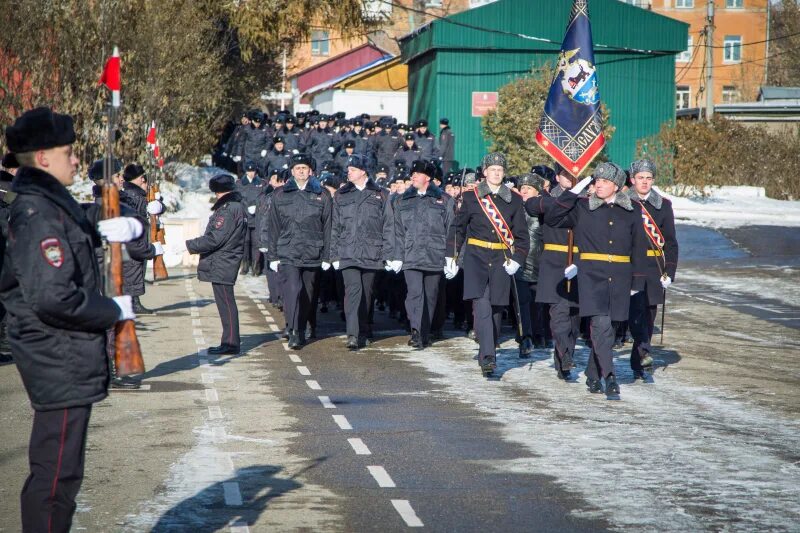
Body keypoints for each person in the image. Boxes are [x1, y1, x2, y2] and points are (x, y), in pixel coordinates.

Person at [0, 107, 142, 532]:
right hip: (56, 351)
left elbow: (71, 228)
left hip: (62, 352)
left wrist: (104, 225)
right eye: (68, 152)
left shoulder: (48, 202)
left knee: (62, 472)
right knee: (55, 475)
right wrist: (112, 310)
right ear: (43, 158)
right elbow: (52, 296)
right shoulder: (37, 211)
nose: (76, 160)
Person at [545, 162, 649, 397]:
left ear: (616, 185)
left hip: (621, 276)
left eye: (604, 181)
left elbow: (639, 247)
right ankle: (609, 376)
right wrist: (571, 194)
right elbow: (553, 217)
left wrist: (637, 282)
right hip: (591, 275)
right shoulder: (583, 207)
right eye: (597, 180)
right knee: (600, 324)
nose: (598, 184)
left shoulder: (631, 209)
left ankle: (593, 374)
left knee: (609, 329)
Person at [449, 152, 529, 376]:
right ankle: (488, 358)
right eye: (492, 169)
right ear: (484, 172)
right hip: (476, 258)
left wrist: (517, 259)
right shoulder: (472, 197)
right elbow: (458, 228)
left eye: (500, 170)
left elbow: (522, 236)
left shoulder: (514, 200)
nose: (496, 173)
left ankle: (488, 346)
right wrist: (451, 256)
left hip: (501, 260)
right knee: (482, 304)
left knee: (496, 309)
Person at [266, 153, 332, 349]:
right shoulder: (280, 194)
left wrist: (328, 255)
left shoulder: (322, 194)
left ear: (310, 171)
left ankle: (302, 327)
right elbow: (273, 227)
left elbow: (329, 226)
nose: (301, 171)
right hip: (288, 252)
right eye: (297, 168)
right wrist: (273, 256)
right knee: (292, 291)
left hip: (313, 252)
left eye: (304, 168)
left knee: (308, 295)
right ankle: (293, 330)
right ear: (292, 171)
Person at [330, 154, 395, 349]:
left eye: (352, 169)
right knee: (353, 292)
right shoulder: (341, 195)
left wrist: (389, 254)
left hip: (371, 252)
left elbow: (388, 225)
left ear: (363, 171)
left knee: (367, 294)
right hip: (348, 251)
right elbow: (335, 226)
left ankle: (364, 328)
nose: (348, 172)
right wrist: (333, 254)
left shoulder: (381, 194)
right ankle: (352, 334)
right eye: (348, 169)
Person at [524, 164, 583, 380]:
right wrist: (570, 197)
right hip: (553, 261)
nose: (570, 177)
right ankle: (565, 355)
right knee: (559, 315)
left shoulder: (586, 199)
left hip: (578, 262)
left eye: (574, 173)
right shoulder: (548, 198)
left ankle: (563, 361)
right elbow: (532, 206)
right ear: (558, 177)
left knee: (574, 320)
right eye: (566, 173)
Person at [393, 159, 455, 349]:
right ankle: (416, 331)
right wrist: (396, 255)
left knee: (430, 295)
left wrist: (451, 257)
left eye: (417, 173)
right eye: (412, 173)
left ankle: (424, 331)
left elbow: (451, 229)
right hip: (411, 255)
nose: (412, 176)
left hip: (434, 255)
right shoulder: (403, 199)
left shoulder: (444, 200)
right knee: (414, 294)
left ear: (427, 177)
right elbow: (396, 230)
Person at [626, 158, 678, 379]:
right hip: (629, 265)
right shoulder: (623, 202)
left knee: (648, 314)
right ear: (632, 180)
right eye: (640, 178)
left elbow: (671, 242)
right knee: (633, 313)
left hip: (654, 266)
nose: (645, 182)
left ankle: (641, 358)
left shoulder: (663, 205)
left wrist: (670, 271)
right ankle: (641, 352)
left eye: (648, 178)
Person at [186, 174, 247, 355]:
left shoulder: (228, 209)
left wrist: (189, 245)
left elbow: (215, 239)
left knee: (226, 303)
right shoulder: (234, 207)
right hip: (225, 259)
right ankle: (228, 340)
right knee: (225, 302)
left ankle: (231, 342)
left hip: (223, 260)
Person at [120, 164, 165, 314]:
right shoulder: (133, 195)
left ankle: (134, 301)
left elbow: (154, 208)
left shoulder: (137, 194)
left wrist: (158, 204)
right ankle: (133, 303)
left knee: (137, 269)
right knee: (134, 268)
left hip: (141, 237)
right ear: (137, 179)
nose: (144, 180)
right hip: (135, 239)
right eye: (142, 178)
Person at [514, 172, 547, 356]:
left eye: (529, 188)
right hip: (519, 263)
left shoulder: (543, 212)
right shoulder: (514, 208)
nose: (525, 191)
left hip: (539, 263)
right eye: (522, 188)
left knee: (537, 303)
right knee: (522, 302)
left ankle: (539, 333)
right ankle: (525, 337)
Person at [237, 161, 268, 276]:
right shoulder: (240, 183)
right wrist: (247, 206)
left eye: (253, 171)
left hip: (257, 217)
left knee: (256, 242)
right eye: (249, 171)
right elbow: (239, 198)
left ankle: (256, 266)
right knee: (245, 241)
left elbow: (263, 196)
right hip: (245, 216)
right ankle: (245, 265)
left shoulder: (262, 183)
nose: (251, 173)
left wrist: (256, 205)